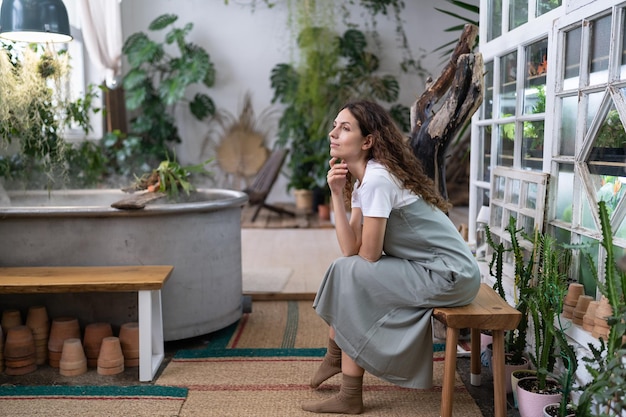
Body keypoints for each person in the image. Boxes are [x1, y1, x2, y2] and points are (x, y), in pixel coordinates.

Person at [302, 100, 481, 414]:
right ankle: (339, 363)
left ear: (368, 141)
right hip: (432, 268)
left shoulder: (378, 181)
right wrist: (335, 194)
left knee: (351, 273)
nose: (333, 133)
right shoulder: (365, 181)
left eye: (345, 128)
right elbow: (350, 250)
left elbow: (367, 256)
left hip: (450, 274)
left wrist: (342, 203)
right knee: (345, 268)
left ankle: (344, 377)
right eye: (335, 126)